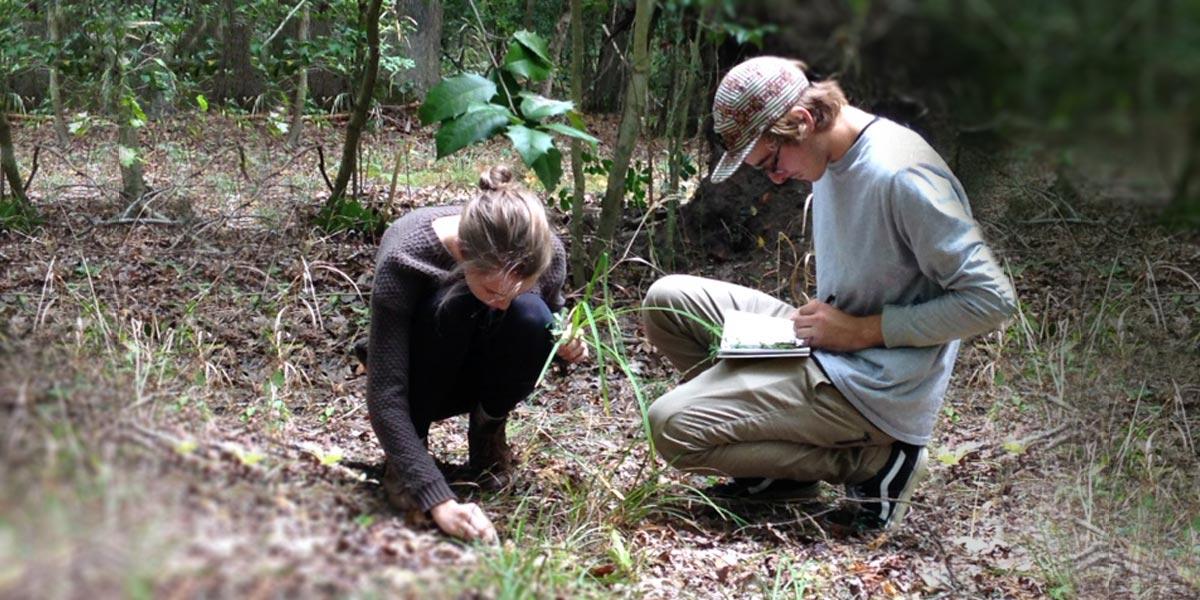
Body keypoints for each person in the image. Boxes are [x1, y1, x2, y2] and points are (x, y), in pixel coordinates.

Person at [642, 56, 1017, 530]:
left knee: (672, 427)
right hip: (831, 343)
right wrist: (839, 325)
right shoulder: (832, 156)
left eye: (772, 161)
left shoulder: (901, 174)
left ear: (802, 120)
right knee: (666, 300)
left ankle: (878, 463)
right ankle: (776, 474)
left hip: (870, 383)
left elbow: (992, 299)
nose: (773, 178)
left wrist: (861, 331)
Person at [365, 165, 585, 542]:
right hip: (422, 372)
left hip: (481, 371)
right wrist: (438, 500)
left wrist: (564, 344)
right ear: (464, 253)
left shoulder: (546, 253)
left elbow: (549, 315)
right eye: (493, 291)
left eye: (514, 291)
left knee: (533, 315)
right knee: (454, 303)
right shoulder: (406, 258)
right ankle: (409, 455)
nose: (502, 305)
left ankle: (487, 431)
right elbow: (385, 395)